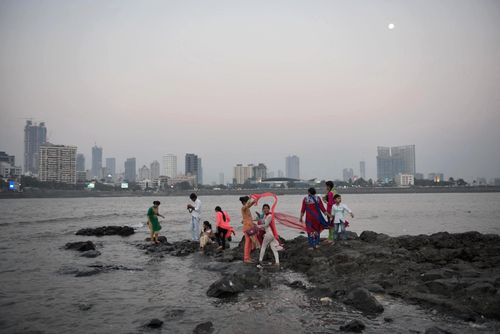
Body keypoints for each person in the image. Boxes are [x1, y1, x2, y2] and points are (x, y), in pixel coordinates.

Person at [240, 195, 257, 263]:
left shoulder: (247, 208)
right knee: (247, 243)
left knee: (250, 243)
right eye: (247, 201)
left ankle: (248, 257)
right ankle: (246, 258)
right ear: (244, 202)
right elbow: (246, 206)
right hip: (247, 227)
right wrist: (250, 199)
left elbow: (249, 205)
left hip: (249, 226)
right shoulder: (243, 208)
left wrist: (254, 201)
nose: (248, 203)